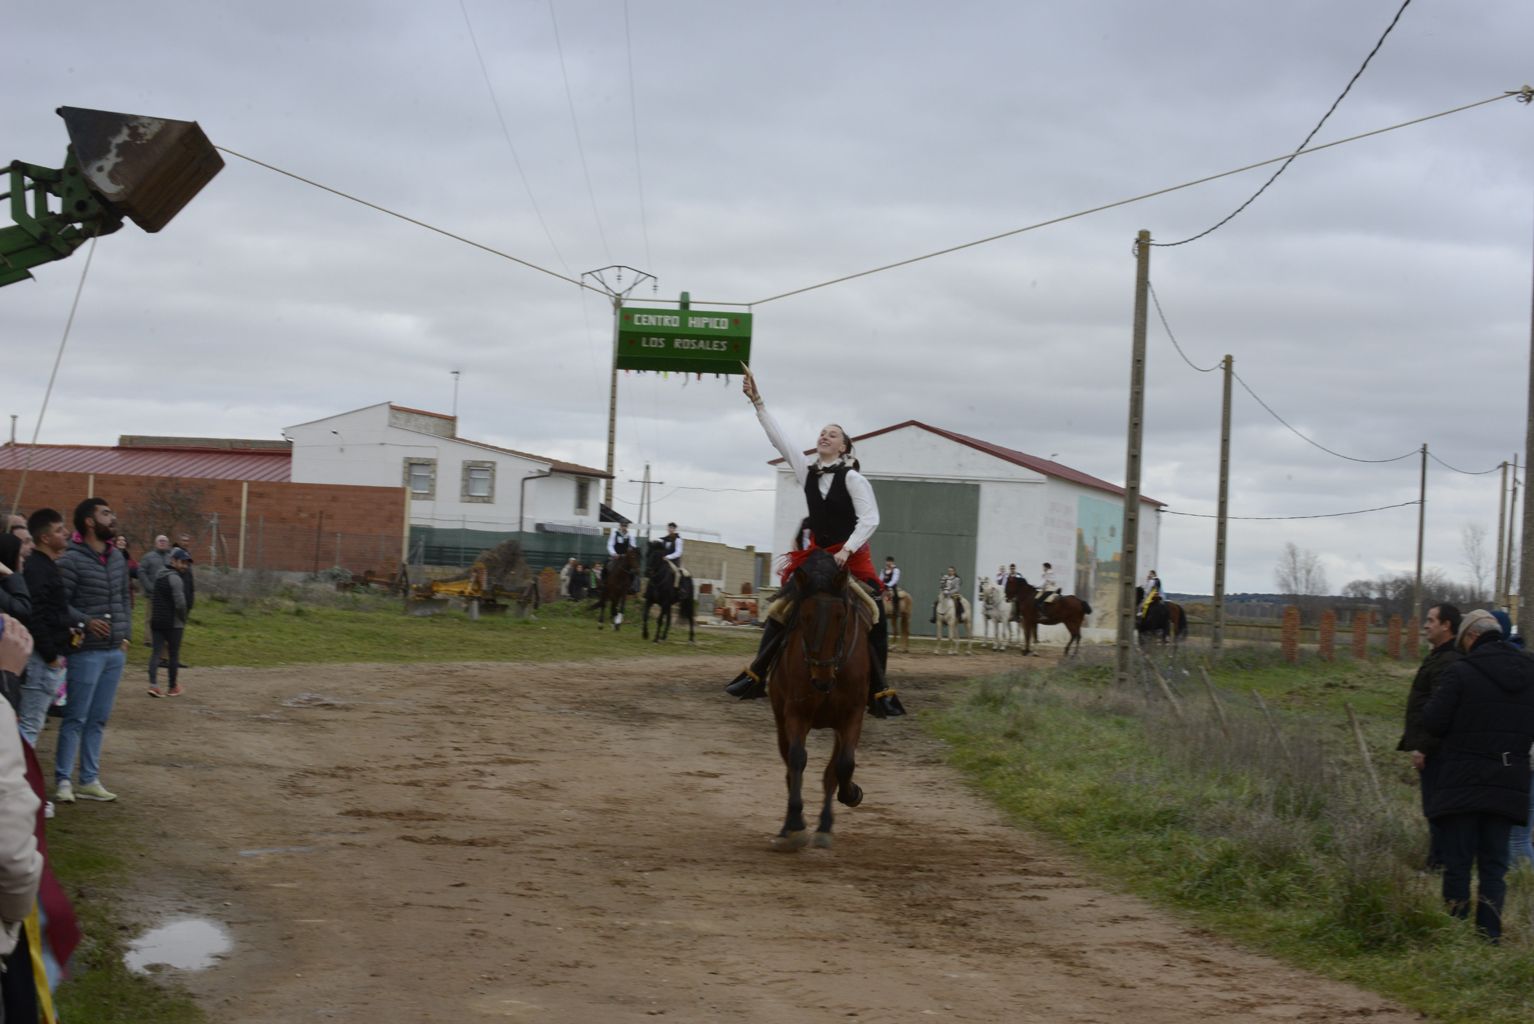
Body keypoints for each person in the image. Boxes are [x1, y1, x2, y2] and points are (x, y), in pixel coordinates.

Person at [724, 367, 902, 718]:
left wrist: (848, 550)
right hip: (819, 558)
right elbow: (780, 440)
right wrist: (757, 401)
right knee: (780, 609)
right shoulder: (807, 471)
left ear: (845, 447)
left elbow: (871, 519)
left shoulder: (853, 479)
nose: (825, 436)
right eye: (822, 432)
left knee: (876, 612)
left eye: (833, 434)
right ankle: (756, 675)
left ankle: (879, 690)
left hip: (851, 559)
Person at [1422, 608, 1534, 943]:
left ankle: (1455, 934)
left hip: (1463, 779)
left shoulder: (1461, 671)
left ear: (1471, 636)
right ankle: (1489, 937)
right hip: (1508, 778)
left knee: (1458, 861)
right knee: (1495, 864)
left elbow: (1433, 721)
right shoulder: (1530, 670)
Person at [54, 498, 132, 805]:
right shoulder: (70, 560)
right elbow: (60, 604)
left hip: (115, 652)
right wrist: (85, 622)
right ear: (89, 521)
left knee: (98, 719)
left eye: (111, 512)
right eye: (105, 513)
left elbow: (125, 597)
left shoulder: (117, 558)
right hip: (85, 652)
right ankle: (63, 780)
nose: (112, 518)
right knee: (75, 717)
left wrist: (125, 635)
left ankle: (88, 779)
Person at [1396, 603, 1462, 872]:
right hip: (1434, 748)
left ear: (1447, 625)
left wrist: (1423, 747)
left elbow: (1440, 709)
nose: (1426, 624)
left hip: (1437, 751)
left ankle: (1440, 864)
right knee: (1434, 808)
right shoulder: (1438, 656)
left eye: (1431, 620)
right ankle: (1438, 861)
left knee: (1437, 809)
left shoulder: (1448, 661)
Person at [18, 509, 71, 747]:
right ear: (45, 538)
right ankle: (15, 779)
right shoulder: (37, 569)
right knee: (29, 724)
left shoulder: (49, 566)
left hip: (50, 653)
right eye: (59, 530)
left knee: (34, 723)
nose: (66, 533)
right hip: (40, 658)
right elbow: (35, 614)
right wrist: (50, 655)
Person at [148, 548, 194, 698]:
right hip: (173, 623)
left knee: (156, 653)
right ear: (173, 561)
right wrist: (183, 618)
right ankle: (172, 687)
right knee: (174, 655)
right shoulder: (175, 578)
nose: (185, 566)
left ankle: (153, 685)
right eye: (182, 562)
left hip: (157, 620)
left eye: (187, 563)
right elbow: (180, 603)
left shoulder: (159, 576)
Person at [661, 523, 684, 587]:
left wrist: (668, 557)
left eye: (672, 528)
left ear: (675, 529)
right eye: (669, 528)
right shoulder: (665, 539)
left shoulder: (678, 539)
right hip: (663, 561)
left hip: (673, 562)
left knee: (677, 574)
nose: (670, 529)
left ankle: (676, 588)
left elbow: (679, 552)